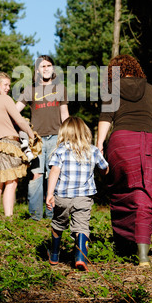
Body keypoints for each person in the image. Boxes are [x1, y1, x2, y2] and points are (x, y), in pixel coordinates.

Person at [97, 54, 152, 267]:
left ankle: (123, 243)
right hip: (149, 142)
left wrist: (100, 144)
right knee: (144, 191)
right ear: (135, 70)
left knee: (121, 190)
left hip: (120, 142)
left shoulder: (112, 89)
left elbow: (106, 117)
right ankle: (143, 254)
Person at [46, 116, 109, 271]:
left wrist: (49, 193)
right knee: (82, 226)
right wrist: (104, 172)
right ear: (84, 132)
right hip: (84, 197)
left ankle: (54, 254)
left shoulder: (60, 151)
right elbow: (105, 167)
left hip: (62, 197)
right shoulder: (92, 150)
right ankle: (80, 257)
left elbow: (54, 171)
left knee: (58, 224)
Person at [16, 55, 69, 221]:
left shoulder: (60, 89)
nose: (45, 69)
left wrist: (69, 135)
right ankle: (35, 216)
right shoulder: (29, 90)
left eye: (48, 65)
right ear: (37, 70)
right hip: (36, 140)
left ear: (53, 69)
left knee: (53, 175)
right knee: (37, 175)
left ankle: (52, 215)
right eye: (42, 66)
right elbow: (14, 111)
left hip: (56, 137)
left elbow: (64, 114)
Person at [0, 72, 41, 217]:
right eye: (5, 84)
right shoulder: (5, 99)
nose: (8, 88)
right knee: (11, 183)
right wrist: (31, 135)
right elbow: (19, 120)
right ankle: (9, 219)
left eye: (9, 85)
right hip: (9, 144)